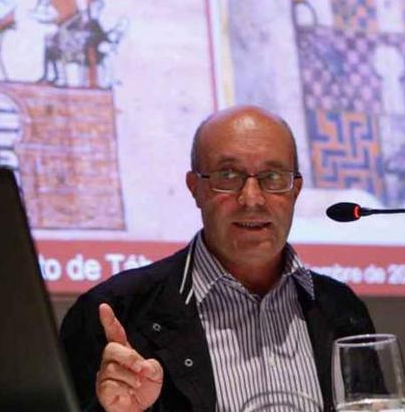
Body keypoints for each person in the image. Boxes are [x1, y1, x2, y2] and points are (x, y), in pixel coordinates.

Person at [60, 105, 375, 412]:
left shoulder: (342, 310)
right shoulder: (117, 313)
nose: (252, 198)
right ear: (195, 187)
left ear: (295, 190)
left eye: (273, 177)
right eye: (228, 175)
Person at [30, 0, 83, 84]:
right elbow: (43, 14)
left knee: (57, 39)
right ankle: (50, 75)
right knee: (48, 40)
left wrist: (56, 19)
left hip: (73, 24)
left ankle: (61, 77)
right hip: (62, 25)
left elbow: (72, 9)